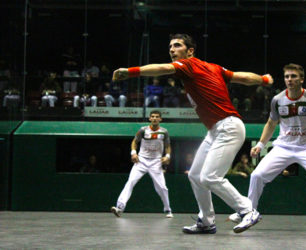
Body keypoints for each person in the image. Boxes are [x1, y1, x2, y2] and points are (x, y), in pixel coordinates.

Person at [112, 33, 274, 234]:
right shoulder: (214, 67)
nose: (172, 49)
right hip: (216, 130)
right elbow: (242, 77)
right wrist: (264, 80)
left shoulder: (188, 64)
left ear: (190, 51)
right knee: (196, 175)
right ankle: (206, 221)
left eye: (177, 45)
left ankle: (248, 210)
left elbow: (164, 68)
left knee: (210, 177)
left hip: (228, 127)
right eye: (170, 46)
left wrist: (131, 72)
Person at [229, 63, 306, 232]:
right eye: (287, 76)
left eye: (293, 76)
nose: (289, 80)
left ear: (301, 79)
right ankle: (248, 212)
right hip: (283, 147)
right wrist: (260, 144)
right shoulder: (277, 100)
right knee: (257, 175)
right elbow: (271, 123)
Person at [111, 110, 173, 218]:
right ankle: (119, 208)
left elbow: (167, 146)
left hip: (156, 162)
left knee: (162, 188)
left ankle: (168, 210)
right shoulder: (143, 130)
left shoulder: (164, 132)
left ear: (160, 119)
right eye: (152, 116)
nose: (154, 118)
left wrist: (167, 156)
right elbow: (134, 142)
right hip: (141, 161)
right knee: (130, 182)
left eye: (157, 117)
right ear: (149, 118)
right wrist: (133, 153)